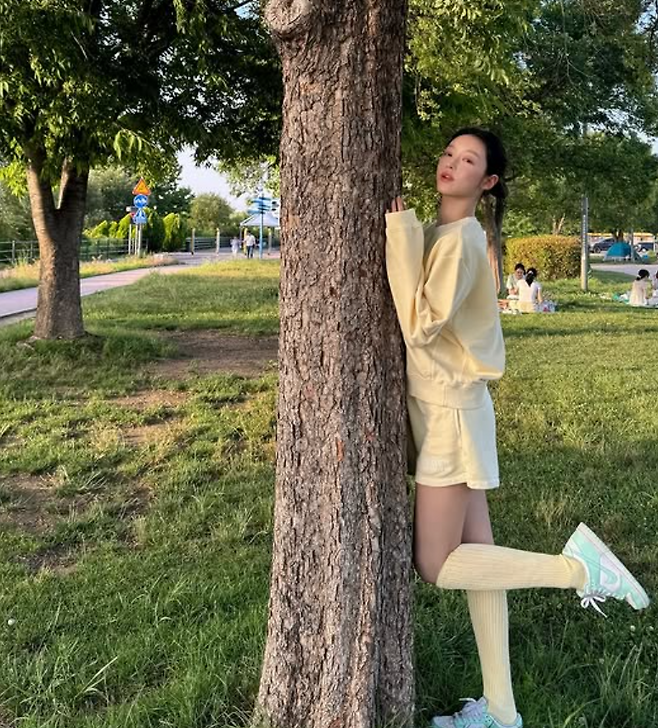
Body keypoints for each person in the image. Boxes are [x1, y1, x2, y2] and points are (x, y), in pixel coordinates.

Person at [385, 127, 649, 728]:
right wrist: (410, 235)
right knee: (481, 559)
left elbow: (419, 325)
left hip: (450, 415)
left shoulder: (460, 241)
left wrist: (398, 235)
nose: (450, 163)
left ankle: (580, 570)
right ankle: (502, 711)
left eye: (468, 160)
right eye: (449, 154)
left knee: (437, 565)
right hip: (454, 408)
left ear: (488, 181)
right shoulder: (449, 235)